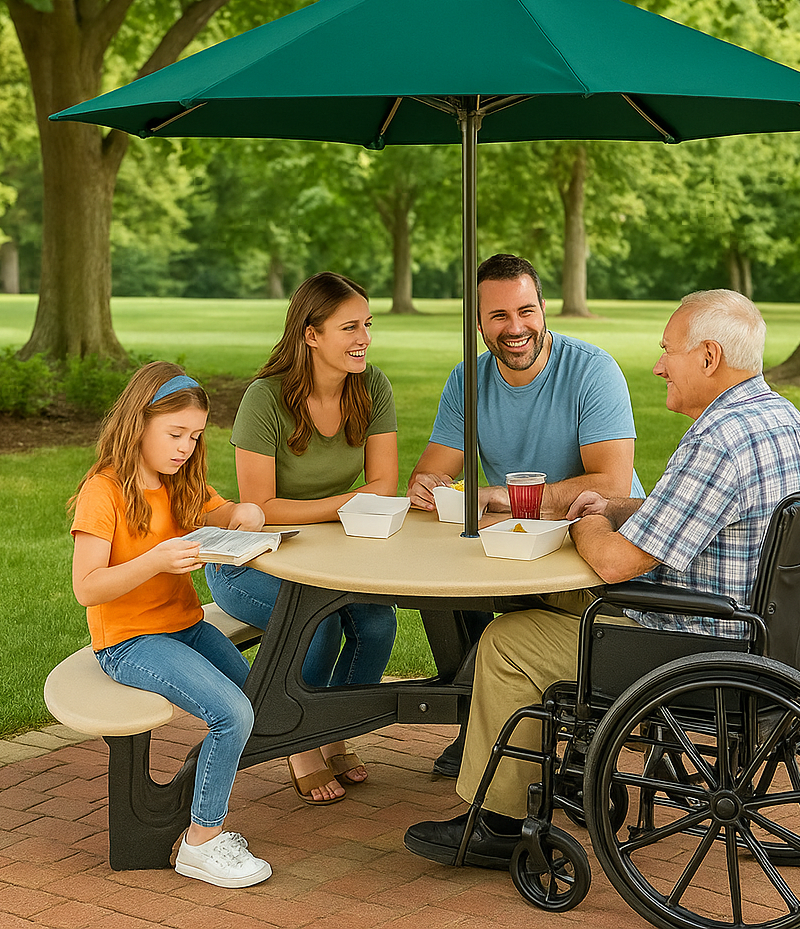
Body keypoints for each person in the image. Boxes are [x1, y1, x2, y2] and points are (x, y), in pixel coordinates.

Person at [404, 289, 800, 870]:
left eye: (667, 351)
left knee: (507, 643)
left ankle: (501, 822)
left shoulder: (717, 440)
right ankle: (569, 769)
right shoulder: (779, 418)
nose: (658, 366)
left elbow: (614, 565)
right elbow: (686, 517)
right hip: (760, 629)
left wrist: (586, 518)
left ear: (708, 357)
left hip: (689, 645)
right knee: (535, 594)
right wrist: (614, 510)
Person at [407, 253, 645, 776]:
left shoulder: (591, 370)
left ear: (543, 309)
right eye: (498, 316)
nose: (515, 328)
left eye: (526, 311)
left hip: (592, 550)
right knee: (443, 588)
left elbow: (611, 485)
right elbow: (432, 472)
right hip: (514, 547)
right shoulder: (467, 379)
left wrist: (495, 496)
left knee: (509, 626)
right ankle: (482, 721)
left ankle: (576, 726)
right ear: (478, 322)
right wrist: (428, 486)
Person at [69, 361, 272, 889]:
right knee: (232, 713)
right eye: (175, 434)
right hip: (129, 641)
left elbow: (223, 510)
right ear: (139, 425)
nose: (185, 446)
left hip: (183, 625)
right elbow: (87, 587)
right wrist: (156, 560)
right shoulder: (104, 491)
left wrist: (244, 516)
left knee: (261, 702)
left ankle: (196, 797)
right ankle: (201, 843)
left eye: (195, 436)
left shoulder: (179, 480)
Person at [206, 272, 399, 805]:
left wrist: (336, 511)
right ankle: (297, 741)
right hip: (250, 564)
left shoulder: (372, 386)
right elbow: (259, 510)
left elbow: (384, 484)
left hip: (328, 554)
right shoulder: (264, 398)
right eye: (349, 327)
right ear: (311, 335)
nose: (363, 338)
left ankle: (332, 729)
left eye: (367, 325)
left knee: (378, 623)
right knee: (317, 627)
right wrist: (343, 505)